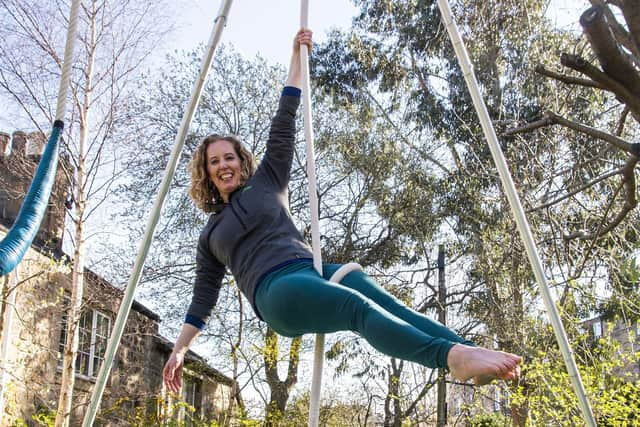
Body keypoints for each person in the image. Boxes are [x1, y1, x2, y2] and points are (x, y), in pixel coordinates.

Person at [163, 29, 522, 393]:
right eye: (214, 161)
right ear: (206, 172)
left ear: (242, 162)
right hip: (276, 291)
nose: (224, 165)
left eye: (230, 157)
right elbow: (203, 298)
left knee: (381, 298)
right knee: (354, 307)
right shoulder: (210, 235)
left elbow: (284, 122)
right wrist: (180, 349)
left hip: (313, 269)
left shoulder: (267, 181)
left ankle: (464, 350)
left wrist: (296, 60)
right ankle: (450, 358)